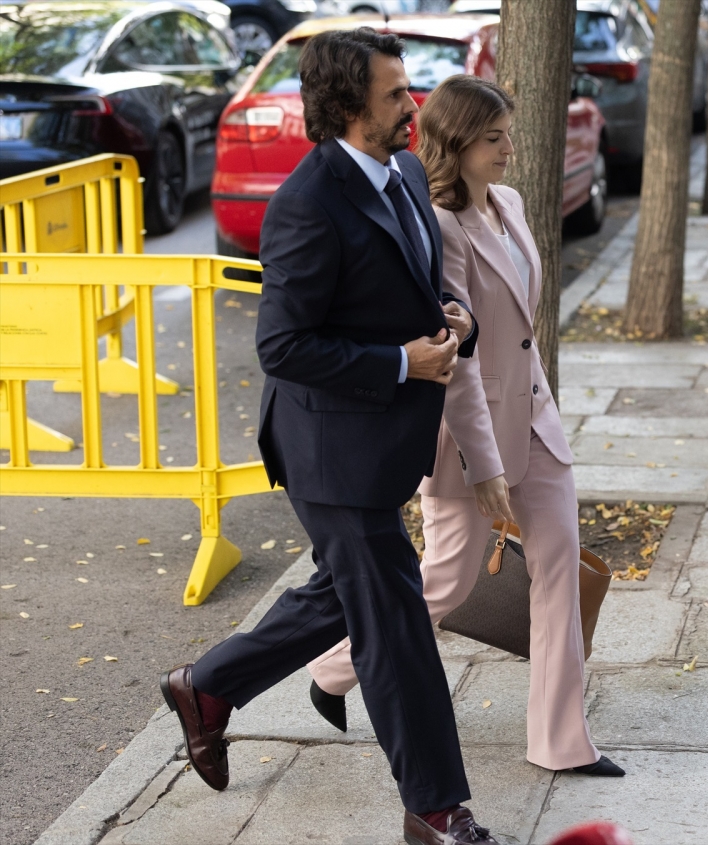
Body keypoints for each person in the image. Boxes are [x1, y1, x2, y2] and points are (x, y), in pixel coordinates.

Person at [157, 28, 500, 845]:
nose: (412, 105)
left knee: (346, 591)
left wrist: (455, 322)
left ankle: (207, 686)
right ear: (348, 107)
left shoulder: (405, 172)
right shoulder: (305, 204)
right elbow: (282, 346)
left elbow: (415, 289)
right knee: (394, 623)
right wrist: (400, 362)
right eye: (394, 94)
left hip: (384, 443)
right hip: (329, 452)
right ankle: (436, 809)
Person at [305, 75, 624, 780]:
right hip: (469, 436)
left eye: (508, 134)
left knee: (559, 569)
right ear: (454, 142)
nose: (509, 149)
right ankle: (334, 667)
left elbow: (520, 332)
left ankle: (561, 741)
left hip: (535, 419)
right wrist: (486, 466)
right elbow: (458, 360)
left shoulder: (510, 203)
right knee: (445, 583)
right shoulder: (439, 229)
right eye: (493, 138)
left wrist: (541, 409)